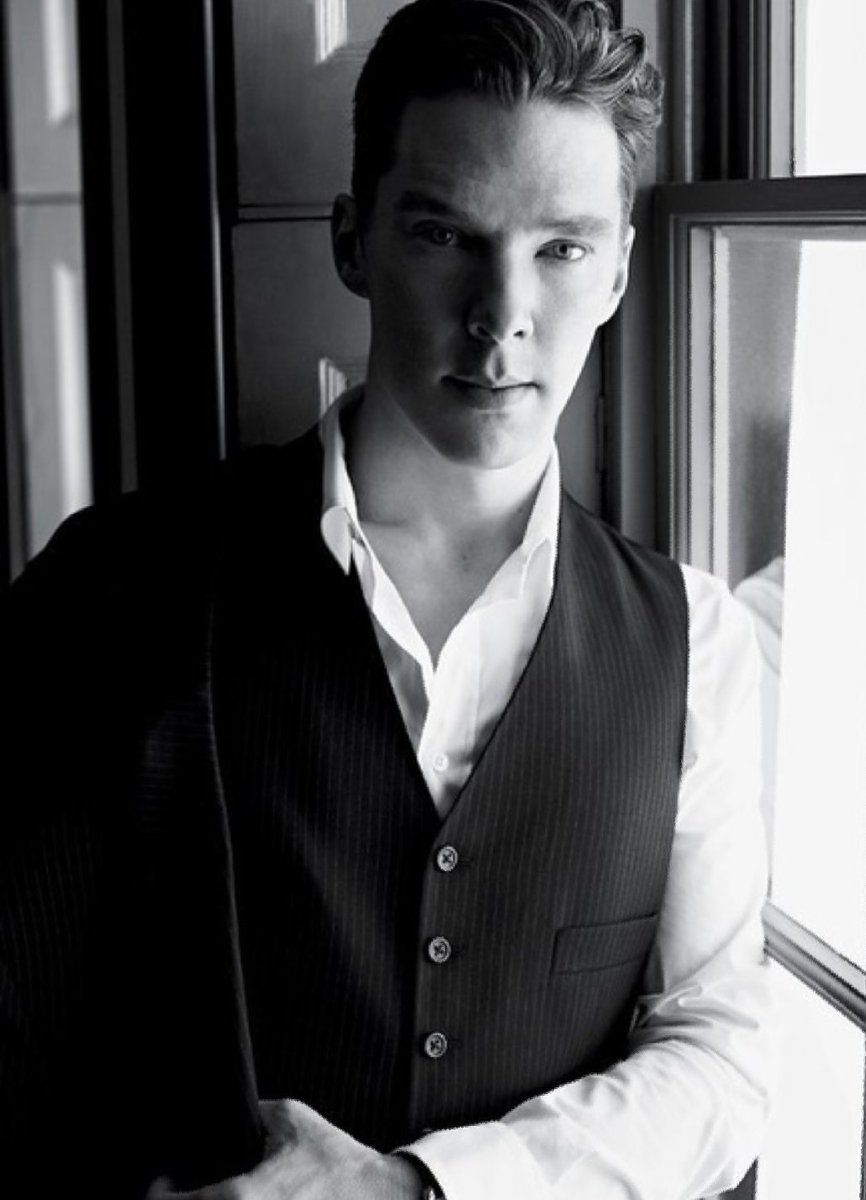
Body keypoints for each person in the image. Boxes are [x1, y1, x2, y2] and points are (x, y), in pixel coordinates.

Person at [0, 1, 775, 1197]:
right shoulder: (112, 584)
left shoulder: (697, 642)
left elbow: (716, 1054)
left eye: (561, 248)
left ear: (620, 266)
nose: (501, 313)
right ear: (353, 243)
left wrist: (419, 1187)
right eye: (444, 233)